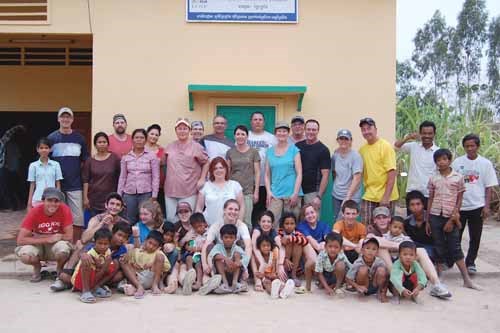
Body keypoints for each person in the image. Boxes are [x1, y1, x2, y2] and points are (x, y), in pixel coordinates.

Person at [367, 206, 452, 298]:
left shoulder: (399, 232)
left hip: (402, 264)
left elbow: (410, 246)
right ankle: (396, 279)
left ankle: (437, 284)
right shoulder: (371, 231)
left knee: (420, 250)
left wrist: (393, 244)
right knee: (380, 248)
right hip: (383, 268)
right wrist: (399, 245)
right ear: (374, 220)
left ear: (389, 220)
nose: (382, 220)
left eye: (384, 217)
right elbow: (364, 243)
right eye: (378, 218)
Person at [427, 148, 479, 290]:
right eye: (438, 160)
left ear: (450, 160)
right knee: (438, 245)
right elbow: (431, 198)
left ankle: (466, 279)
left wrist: (452, 218)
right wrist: (427, 219)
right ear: (436, 162)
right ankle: (438, 277)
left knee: (455, 246)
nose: (441, 162)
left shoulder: (458, 177)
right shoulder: (433, 178)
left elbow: (459, 199)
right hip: (435, 215)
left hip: (451, 216)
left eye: (444, 159)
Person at [452, 134, 498, 274]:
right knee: (455, 236)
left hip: (477, 206)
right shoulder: (457, 162)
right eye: (467, 146)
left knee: (475, 236)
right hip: (460, 206)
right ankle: (453, 260)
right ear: (464, 147)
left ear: (478, 146)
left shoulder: (485, 164)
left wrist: (486, 206)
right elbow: (452, 184)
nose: (470, 148)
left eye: (472, 146)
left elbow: (488, 186)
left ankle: (470, 262)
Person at [15, 188, 73, 285]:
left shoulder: (65, 209)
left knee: (64, 250)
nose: (53, 204)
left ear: (60, 202)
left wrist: (41, 236)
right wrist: (47, 239)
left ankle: (59, 269)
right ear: (43, 201)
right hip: (39, 245)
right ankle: (37, 267)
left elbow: (69, 236)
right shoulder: (34, 211)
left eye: (56, 201)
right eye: (49, 200)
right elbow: (20, 240)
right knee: (25, 256)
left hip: (55, 244)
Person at [48, 107, 89, 242]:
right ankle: (59, 245)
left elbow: (85, 161)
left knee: (77, 218)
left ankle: (75, 244)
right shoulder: (52, 138)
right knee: (57, 217)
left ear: (72, 119)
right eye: (63, 117)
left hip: (75, 184)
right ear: (58, 119)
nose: (65, 119)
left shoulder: (79, 138)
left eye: (68, 117)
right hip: (56, 186)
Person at [200, 199, 252, 294]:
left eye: (236, 210)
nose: (233, 212)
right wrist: (205, 265)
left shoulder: (242, 226)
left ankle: (237, 282)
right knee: (211, 246)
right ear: (224, 210)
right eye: (230, 209)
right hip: (220, 261)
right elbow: (206, 246)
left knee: (240, 249)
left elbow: (248, 246)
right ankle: (211, 282)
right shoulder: (216, 226)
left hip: (234, 261)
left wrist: (245, 267)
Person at [165, 118, 209, 222]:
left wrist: (202, 179)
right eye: (179, 128)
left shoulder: (196, 147)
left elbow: (207, 162)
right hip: (170, 191)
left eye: (185, 128)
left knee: (188, 220)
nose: (182, 131)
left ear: (189, 131)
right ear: (176, 130)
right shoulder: (170, 146)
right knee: (172, 219)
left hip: (189, 190)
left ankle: (189, 239)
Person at [358, 117, 398, 225]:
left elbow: (392, 172)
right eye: (363, 129)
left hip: (386, 196)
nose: (366, 132)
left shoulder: (385, 146)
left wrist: (386, 197)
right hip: (369, 194)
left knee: (385, 228)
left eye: (369, 128)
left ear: (375, 129)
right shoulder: (362, 150)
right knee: (367, 226)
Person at [394, 120, 438, 214]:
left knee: (427, 224)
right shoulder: (413, 146)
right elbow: (396, 147)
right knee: (411, 223)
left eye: (430, 133)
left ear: (434, 134)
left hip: (429, 194)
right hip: (412, 192)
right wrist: (408, 137)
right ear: (420, 133)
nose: (427, 136)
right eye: (424, 133)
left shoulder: (438, 152)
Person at [117, 128, 160, 224]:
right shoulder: (126, 157)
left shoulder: (152, 156)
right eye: (136, 137)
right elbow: (122, 177)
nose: (139, 140)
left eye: (142, 137)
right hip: (128, 194)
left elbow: (156, 176)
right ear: (132, 140)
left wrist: (154, 195)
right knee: (128, 219)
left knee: (145, 219)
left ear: (145, 140)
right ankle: (129, 239)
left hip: (146, 193)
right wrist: (119, 195)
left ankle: (143, 239)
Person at [265, 121, 303, 225]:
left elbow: (299, 173)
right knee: (271, 223)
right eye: (279, 131)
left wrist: (295, 193)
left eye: (284, 131)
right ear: (275, 133)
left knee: (291, 225)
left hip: (291, 194)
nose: (282, 133)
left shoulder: (294, 150)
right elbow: (267, 174)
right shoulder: (269, 151)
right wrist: (269, 192)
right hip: (275, 194)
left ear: (288, 133)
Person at [226, 125, 261, 229]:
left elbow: (257, 172)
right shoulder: (230, 152)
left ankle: (246, 244)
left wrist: (256, 191)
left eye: (243, 134)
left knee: (246, 221)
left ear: (247, 136)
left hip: (247, 191)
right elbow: (227, 171)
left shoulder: (253, 152)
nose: (240, 136)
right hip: (232, 191)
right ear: (234, 136)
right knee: (231, 219)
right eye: (238, 134)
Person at [247, 112, 277, 224]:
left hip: (266, 182)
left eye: (260, 119)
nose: (258, 121)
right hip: (249, 182)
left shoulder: (271, 138)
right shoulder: (246, 135)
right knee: (249, 211)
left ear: (264, 122)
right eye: (255, 119)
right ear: (251, 122)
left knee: (263, 212)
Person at [71, 228, 115, 303]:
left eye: (105, 244)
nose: (102, 246)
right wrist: (103, 266)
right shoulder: (90, 252)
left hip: (94, 277)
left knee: (112, 266)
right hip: (80, 280)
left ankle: (94, 288)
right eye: (100, 243)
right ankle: (85, 291)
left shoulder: (108, 251)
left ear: (109, 244)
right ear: (94, 242)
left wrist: (104, 265)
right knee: (87, 260)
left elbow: (104, 270)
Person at [196, 157, 244, 226]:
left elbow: (241, 206)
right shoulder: (205, 186)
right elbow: (199, 208)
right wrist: (201, 225)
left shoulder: (235, 185)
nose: (218, 170)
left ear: (226, 169)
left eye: (221, 168)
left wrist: (238, 223)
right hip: (209, 226)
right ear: (211, 171)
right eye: (215, 168)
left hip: (230, 227)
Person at [296, 119, 330, 214]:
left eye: (314, 130)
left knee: (311, 221)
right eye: (309, 129)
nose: (311, 132)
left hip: (312, 193)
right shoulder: (297, 146)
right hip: (297, 191)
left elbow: (325, 175)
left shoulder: (323, 150)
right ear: (305, 130)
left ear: (318, 131)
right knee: (295, 221)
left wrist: (318, 196)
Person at [82, 132, 121, 217]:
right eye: (99, 142)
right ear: (95, 145)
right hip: (93, 199)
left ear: (108, 144)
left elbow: (120, 177)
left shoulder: (114, 158)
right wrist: (85, 198)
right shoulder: (90, 161)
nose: (102, 144)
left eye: (104, 142)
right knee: (94, 224)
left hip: (110, 199)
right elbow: (86, 180)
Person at [123, 230, 171, 296]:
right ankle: (138, 287)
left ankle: (154, 286)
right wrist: (133, 265)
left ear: (158, 247)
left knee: (160, 257)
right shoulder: (137, 251)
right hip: (137, 278)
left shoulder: (158, 253)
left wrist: (152, 263)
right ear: (145, 241)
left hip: (151, 278)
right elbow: (129, 264)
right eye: (150, 243)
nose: (151, 246)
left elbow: (167, 267)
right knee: (123, 261)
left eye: (154, 245)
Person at [207, 224, 249, 294]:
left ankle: (235, 284)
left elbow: (246, 258)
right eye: (226, 237)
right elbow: (213, 255)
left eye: (231, 237)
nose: (228, 240)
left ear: (235, 238)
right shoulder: (218, 246)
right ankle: (225, 284)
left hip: (234, 273)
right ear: (221, 237)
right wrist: (226, 259)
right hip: (221, 275)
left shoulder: (237, 248)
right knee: (218, 257)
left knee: (237, 254)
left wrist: (237, 263)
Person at [331, 129, 363, 221]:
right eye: (341, 138)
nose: (343, 141)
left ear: (351, 141)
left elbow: (357, 178)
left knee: (349, 222)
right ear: (338, 140)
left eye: (346, 139)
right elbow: (334, 173)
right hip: (336, 195)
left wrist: (347, 197)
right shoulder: (335, 155)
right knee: (337, 221)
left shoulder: (356, 156)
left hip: (351, 197)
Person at [297, 204, 330, 291]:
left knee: (326, 243)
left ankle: (324, 276)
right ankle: (318, 275)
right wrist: (320, 246)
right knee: (307, 244)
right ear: (304, 217)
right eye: (307, 214)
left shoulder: (324, 225)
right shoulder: (302, 226)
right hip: (309, 255)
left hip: (321, 252)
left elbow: (328, 238)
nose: (310, 215)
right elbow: (310, 239)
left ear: (317, 213)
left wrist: (323, 244)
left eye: (312, 212)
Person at [346, 237, 389, 302]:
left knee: (382, 270)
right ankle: (362, 293)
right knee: (363, 269)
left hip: (375, 285)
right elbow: (348, 278)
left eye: (374, 249)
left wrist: (384, 291)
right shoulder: (358, 262)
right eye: (367, 248)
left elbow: (387, 276)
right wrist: (357, 286)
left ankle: (379, 292)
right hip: (363, 286)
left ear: (377, 252)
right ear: (362, 250)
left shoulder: (380, 262)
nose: (370, 251)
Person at [27, 137, 63, 210]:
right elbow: (32, 184)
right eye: (41, 148)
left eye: (46, 148)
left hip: (52, 199)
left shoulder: (56, 164)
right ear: (37, 149)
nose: (44, 150)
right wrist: (29, 202)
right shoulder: (33, 166)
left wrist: (58, 199)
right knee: (38, 221)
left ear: (50, 149)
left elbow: (58, 183)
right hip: (37, 199)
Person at [255, 234, 295, 299]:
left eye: (268, 245)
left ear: (271, 246)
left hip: (272, 276)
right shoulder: (259, 256)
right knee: (267, 283)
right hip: (264, 278)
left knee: (278, 282)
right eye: (263, 246)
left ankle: (284, 291)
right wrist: (264, 276)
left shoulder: (273, 255)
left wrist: (274, 275)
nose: (266, 248)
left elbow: (274, 269)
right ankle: (273, 293)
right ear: (259, 247)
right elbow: (258, 273)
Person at [178, 213, 208, 295]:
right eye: (195, 227)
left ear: (205, 223)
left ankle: (198, 282)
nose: (198, 229)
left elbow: (209, 245)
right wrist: (189, 247)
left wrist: (197, 249)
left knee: (198, 264)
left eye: (200, 226)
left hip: (202, 255)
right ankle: (191, 274)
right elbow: (188, 244)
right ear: (192, 227)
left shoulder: (208, 233)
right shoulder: (192, 233)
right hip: (191, 253)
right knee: (188, 259)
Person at [314, 232, 351, 297]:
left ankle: (337, 286)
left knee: (341, 265)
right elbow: (319, 273)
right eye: (330, 246)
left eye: (336, 247)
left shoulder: (341, 255)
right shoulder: (321, 255)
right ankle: (330, 285)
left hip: (335, 275)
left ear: (340, 248)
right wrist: (327, 288)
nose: (333, 249)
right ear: (325, 246)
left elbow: (350, 267)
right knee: (321, 286)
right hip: (326, 275)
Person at [277, 212, 309, 287]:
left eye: (292, 223)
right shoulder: (279, 233)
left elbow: (305, 241)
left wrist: (290, 238)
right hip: (283, 261)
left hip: (296, 265)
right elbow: (277, 247)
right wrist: (285, 259)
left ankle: (293, 275)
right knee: (287, 243)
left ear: (295, 225)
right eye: (286, 223)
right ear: (282, 225)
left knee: (298, 243)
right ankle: (285, 274)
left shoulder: (297, 233)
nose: (289, 226)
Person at [251, 210, 280, 291]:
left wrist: (280, 266)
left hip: (270, 265)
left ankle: (279, 284)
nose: (266, 224)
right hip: (258, 263)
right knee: (252, 253)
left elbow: (280, 247)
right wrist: (262, 263)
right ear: (259, 222)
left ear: (272, 224)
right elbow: (254, 247)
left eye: (269, 221)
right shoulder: (257, 230)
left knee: (276, 249)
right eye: (263, 221)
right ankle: (257, 280)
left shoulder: (273, 232)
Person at [404, 190, 436, 261]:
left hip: (430, 248)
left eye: (418, 204)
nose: (415, 207)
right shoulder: (407, 222)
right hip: (414, 248)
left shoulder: (432, 219)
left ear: (423, 205)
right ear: (408, 207)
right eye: (412, 205)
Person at [0, 124, 26, 210]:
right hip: (6, 168)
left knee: (7, 187)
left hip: (4, 169)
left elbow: (8, 134)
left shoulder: (2, 142)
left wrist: (18, 127)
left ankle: (14, 205)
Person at [145, 124, 167, 215]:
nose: (154, 136)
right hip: (144, 186)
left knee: (158, 212)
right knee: (145, 210)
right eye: (152, 134)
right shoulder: (140, 149)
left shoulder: (162, 150)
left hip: (159, 186)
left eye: (156, 135)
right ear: (147, 134)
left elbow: (163, 163)